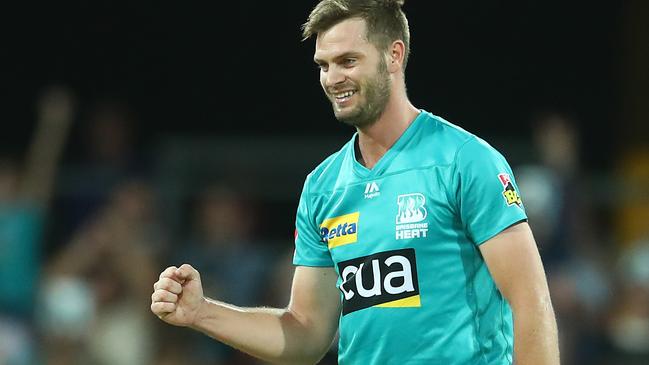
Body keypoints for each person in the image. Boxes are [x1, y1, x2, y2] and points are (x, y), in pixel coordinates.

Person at [151, 1, 560, 364]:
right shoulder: (323, 188)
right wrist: (202, 312)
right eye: (323, 65)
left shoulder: (464, 161)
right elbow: (307, 334)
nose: (332, 78)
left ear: (393, 56)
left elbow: (531, 301)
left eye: (348, 61)